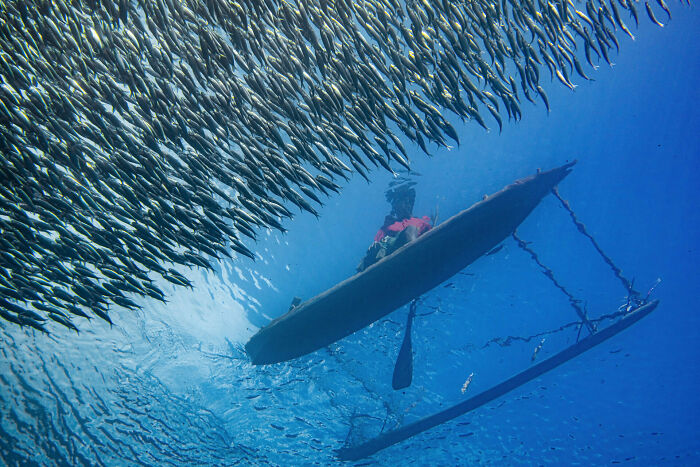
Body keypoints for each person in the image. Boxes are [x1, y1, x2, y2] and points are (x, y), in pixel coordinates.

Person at [357, 184, 432, 272]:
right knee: (373, 250)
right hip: (389, 254)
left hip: (414, 252)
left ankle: (411, 260)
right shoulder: (389, 225)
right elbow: (378, 244)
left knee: (411, 229)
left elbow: (430, 238)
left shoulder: (421, 223)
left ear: (408, 202)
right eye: (394, 203)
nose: (395, 206)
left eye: (398, 202)